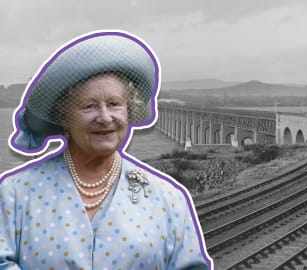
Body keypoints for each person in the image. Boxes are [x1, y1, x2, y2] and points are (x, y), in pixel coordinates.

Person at [0, 31, 212, 269]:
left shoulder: (167, 199)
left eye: (114, 104)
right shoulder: (15, 194)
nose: (105, 117)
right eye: (89, 106)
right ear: (63, 116)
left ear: (129, 110)